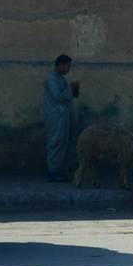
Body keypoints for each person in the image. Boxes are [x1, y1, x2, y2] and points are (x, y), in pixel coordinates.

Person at [44, 54, 79, 182]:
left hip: (62, 117)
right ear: (60, 65)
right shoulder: (52, 79)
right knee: (56, 142)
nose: (69, 69)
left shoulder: (59, 79)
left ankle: (59, 170)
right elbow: (57, 96)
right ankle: (52, 172)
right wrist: (70, 88)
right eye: (67, 66)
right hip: (56, 117)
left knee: (63, 143)